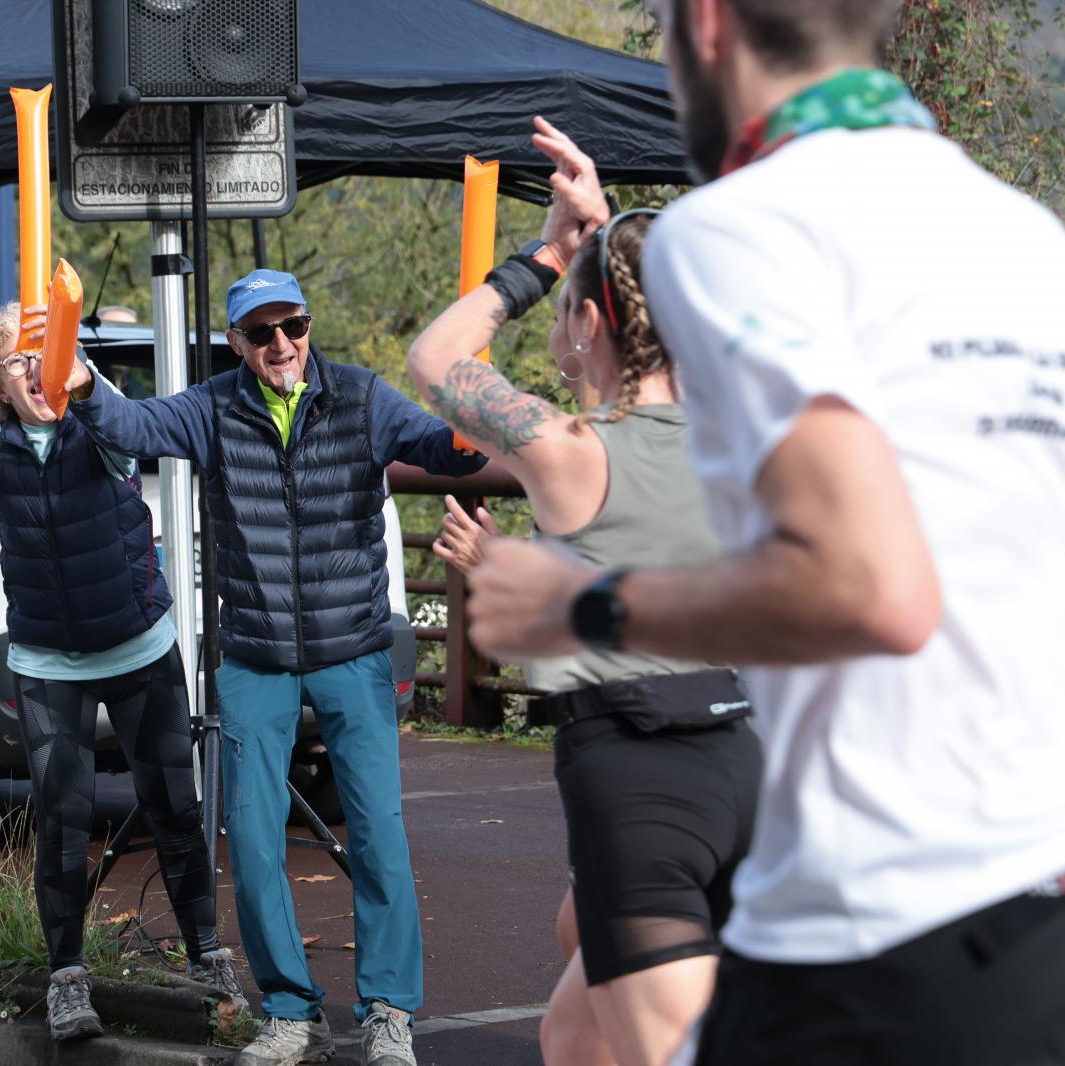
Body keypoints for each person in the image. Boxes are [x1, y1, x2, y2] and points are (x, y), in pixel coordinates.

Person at [463, 3, 1065, 1064]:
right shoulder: (1021, 233)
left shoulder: (737, 228)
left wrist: (585, 602)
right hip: (1028, 896)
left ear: (704, 24)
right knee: (578, 1033)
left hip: (869, 924)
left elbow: (868, 584)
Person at [53, 269, 486, 1066]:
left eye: (293, 326)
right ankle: (289, 1010)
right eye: (261, 333)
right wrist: (79, 380)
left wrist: (472, 412)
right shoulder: (215, 407)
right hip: (254, 657)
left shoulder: (359, 397)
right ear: (236, 343)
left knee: (381, 838)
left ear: (309, 326)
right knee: (251, 839)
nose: (281, 345)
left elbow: (443, 451)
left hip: (352, 649)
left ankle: (390, 1011)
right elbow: (131, 426)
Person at [408, 118, 761, 1066]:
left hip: (640, 782)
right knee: (574, 1020)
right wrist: (606, 243)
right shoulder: (738, 440)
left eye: (571, 307)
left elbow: (437, 360)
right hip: (741, 762)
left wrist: (547, 255)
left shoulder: (571, 455)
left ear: (593, 322)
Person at [0, 304, 237, 1042]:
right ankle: (68, 977)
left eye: (45, 357)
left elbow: (115, 415)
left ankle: (207, 954)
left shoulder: (100, 434)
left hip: (138, 648)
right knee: (62, 820)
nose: (35, 374)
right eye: (18, 363)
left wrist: (77, 367)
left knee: (173, 805)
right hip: (46, 661)